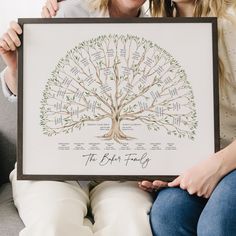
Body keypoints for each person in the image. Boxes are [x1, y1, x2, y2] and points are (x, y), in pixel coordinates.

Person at [0, 1, 156, 236]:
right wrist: (16, 69)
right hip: (52, 167)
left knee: (130, 224)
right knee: (52, 224)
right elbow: (32, 94)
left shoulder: (159, 32)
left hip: (122, 170)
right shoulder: (67, 13)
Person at [138, 0, 236, 235]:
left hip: (230, 157)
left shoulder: (232, 20)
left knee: (216, 224)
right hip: (197, 163)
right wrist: (159, 165)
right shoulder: (153, 26)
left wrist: (216, 166)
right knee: (167, 215)